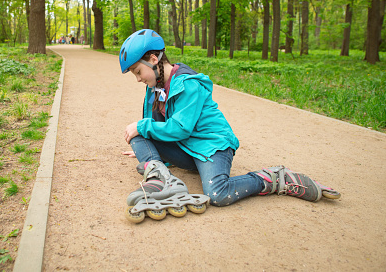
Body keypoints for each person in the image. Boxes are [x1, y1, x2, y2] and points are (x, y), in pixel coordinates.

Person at [120, 29, 340, 220]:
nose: (138, 78)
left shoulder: (189, 85)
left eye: (138, 71)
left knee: (218, 194)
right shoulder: (154, 87)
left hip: (212, 146)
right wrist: (153, 155)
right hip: (186, 147)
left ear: (153, 59)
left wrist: (145, 130)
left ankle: (276, 178)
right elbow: (154, 122)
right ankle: (160, 179)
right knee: (138, 133)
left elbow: (180, 128)